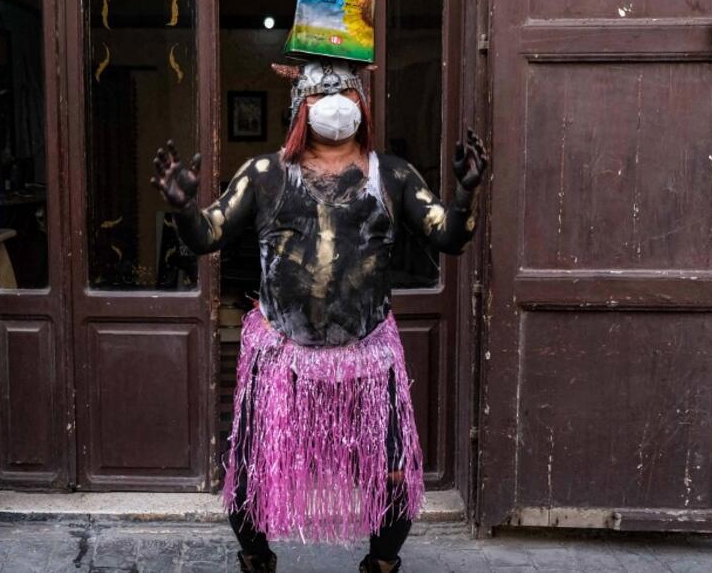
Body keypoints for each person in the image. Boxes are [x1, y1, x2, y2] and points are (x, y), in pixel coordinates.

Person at [150, 59, 486, 573]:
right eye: (321, 93)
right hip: (281, 353)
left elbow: (448, 237)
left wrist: (464, 195)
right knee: (247, 471)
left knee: (394, 473)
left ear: (363, 107)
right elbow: (205, 236)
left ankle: (381, 563)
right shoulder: (264, 175)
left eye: (347, 93)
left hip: (368, 357)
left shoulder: (391, 174)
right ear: (298, 108)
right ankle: (257, 558)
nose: (335, 104)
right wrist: (182, 208)